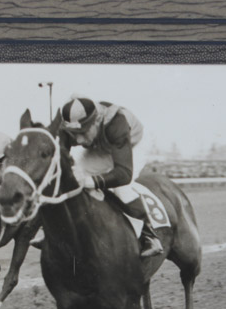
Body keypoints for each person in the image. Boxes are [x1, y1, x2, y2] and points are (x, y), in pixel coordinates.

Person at [59, 96, 164, 258]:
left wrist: (91, 181)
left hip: (134, 142)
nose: (78, 139)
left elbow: (124, 174)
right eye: (74, 133)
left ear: (95, 121)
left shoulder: (117, 124)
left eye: (82, 132)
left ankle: (149, 235)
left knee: (121, 188)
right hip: (102, 142)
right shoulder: (68, 123)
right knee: (74, 176)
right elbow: (63, 156)